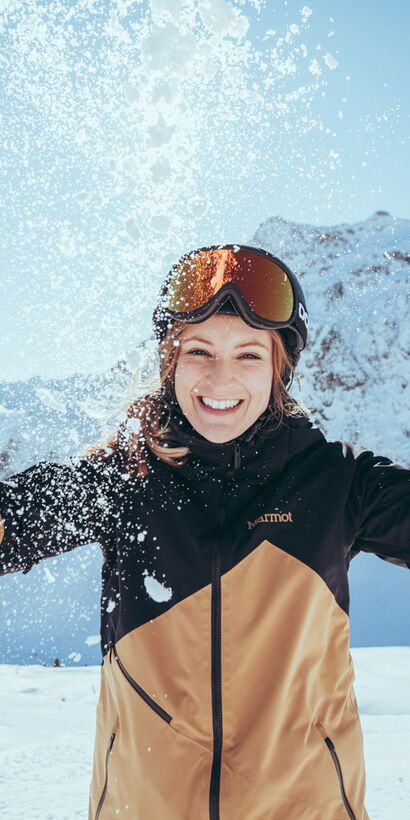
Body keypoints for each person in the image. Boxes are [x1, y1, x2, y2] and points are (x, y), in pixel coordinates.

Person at [0, 243, 409, 820]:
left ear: (278, 369)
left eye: (247, 355)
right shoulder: (125, 478)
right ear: (172, 360)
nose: (222, 377)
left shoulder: (340, 483)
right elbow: (16, 520)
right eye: (199, 350)